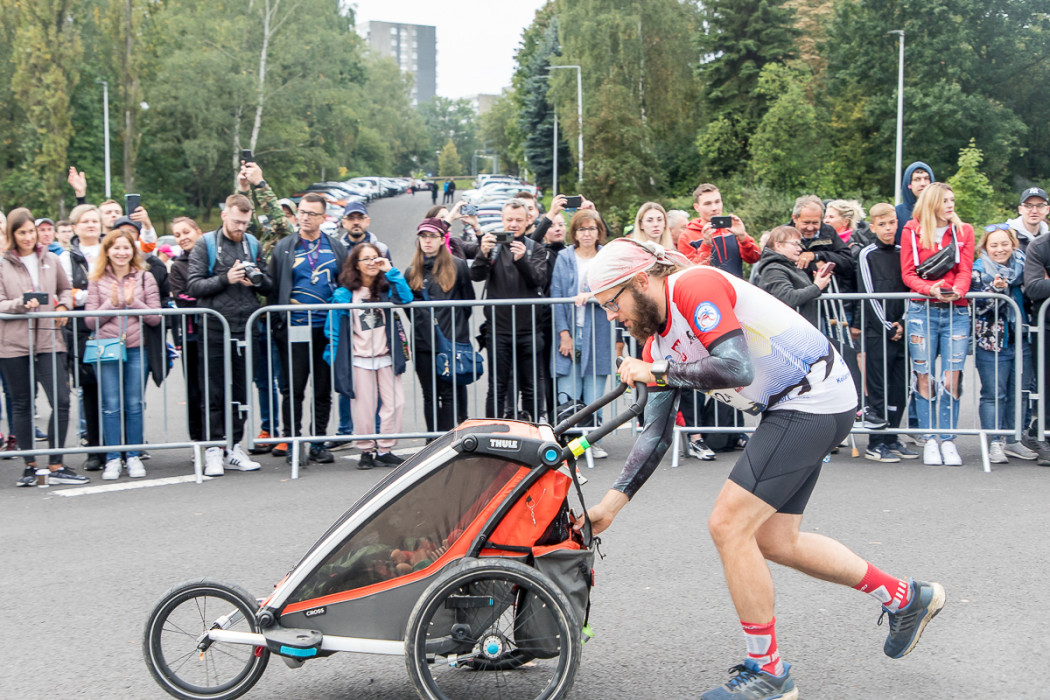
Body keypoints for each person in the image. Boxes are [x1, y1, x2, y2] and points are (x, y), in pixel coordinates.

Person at [581, 237, 945, 700]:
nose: (613, 317)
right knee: (776, 540)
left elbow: (736, 369)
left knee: (728, 525)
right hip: (799, 406)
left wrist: (656, 371)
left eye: (612, 304)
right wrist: (610, 507)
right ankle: (905, 598)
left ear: (639, 281)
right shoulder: (656, 342)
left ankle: (768, 672)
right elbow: (655, 436)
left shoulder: (693, 286)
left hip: (811, 400)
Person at [186, 194, 273, 476]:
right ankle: (213, 448)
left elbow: (268, 285)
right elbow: (193, 285)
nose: (240, 228)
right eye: (236, 222)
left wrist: (255, 280)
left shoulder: (252, 243)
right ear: (225, 215)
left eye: (245, 223)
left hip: (246, 326)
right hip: (214, 327)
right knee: (213, 390)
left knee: (240, 391)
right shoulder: (206, 244)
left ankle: (234, 446)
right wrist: (226, 278)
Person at [0, 209, 85, 487]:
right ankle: (30, 466)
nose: (27, 237)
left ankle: (56, 463)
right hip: (13, 343)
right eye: (21, 232)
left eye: (30, 231)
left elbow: (65, 289)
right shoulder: (2, 264)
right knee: (22, 403)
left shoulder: (51, 258)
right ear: (12, 235)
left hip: (49, 340)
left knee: (61, 400)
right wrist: (21, 304)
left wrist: (63, 306)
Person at [900, 182, 975, 466]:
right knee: (924, 376)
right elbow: (908, 273)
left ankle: (948, 439)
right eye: (945, 200)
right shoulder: (911, 230)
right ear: (932, 203)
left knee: (951, 376)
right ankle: (930, 438)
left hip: (956, 311)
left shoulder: (964, 230)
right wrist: (929, 289)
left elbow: (965, 269)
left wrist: (959, 290)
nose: (951, 205)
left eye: (952, 200)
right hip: (922, 310)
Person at [269, 193, 347, 464]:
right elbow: (274, 286)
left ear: (323, 218)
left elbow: (345, 283)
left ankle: (317, 442)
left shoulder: (335, 248)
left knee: (323, 389)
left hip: (326, 329)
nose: (305, 218)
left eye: (312, 214)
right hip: (294, 327)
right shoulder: (284, 247)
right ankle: (293, 442)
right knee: (293, 389)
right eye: (302, 212)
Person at [326, 243, 412, 469]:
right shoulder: (345, 294)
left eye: (375, 257)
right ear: (356, 264)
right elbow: (333, 328)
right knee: (364, 408)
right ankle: (366, 450)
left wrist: (390, 270)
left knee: (396, 403)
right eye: (366, 259)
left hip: (386, 356)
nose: (372, 262)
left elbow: (406, 297)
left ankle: (385, 449)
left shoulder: (386, 288)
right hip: (360, 358)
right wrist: (334, 356)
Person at [85, 229, 161, 480]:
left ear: (133, 250)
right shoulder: (96, 279)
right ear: (107, 251)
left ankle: (134, 455)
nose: (121, 252)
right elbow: (89, 321)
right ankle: (113, 458)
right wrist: (113, 303)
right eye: (116, 247)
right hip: (107, 348)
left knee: (134, 404)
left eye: (126, 247)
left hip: (137, 348)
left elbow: (156, 317)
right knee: (110, 405)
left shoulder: (145, 278)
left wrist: (132, 302)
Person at [470, 199, 545, 420]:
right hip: (499, 330)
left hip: (529, 330)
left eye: (519, 220)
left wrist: (521, 260)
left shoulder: (535, 248)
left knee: (530, 387)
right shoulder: (493, 246)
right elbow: (476, 275)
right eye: (509, 219)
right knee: (497, 388)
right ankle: (492, 432)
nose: (514, 224)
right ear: (502, 220)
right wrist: (483, 253)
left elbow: (538, 280)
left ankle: (532, 433)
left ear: (528, 221)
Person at [548, 209, 613, 459]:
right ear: (574, 233)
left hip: (598, 332)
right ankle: (571, 445)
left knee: (595, 394)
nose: (587, 233)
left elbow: (615, 288)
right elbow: (556, 295)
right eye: (581, 229)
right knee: (569, 391)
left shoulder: (606, 257)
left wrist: (593, 295)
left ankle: (592, 442)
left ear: (599, 231)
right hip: (570, 331)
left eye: (591, 228)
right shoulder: (564, 257)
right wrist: (564, 334)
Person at [855, 204, 917, 462]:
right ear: (873, 227)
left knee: (900, 387)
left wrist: (902, 321)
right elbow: (868, 293)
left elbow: (910, 287)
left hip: (901, 329)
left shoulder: (904, 251)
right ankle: (876, 442)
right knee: (879, 388)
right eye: (882, 224)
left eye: (891, 223)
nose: (888, 228)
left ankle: (892, 437)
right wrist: (887, 326)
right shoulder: (866, 254)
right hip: (877, 332)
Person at [971, 226, 1038, 464]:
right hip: (991, 342)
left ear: (1013, 244)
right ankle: (994, 442)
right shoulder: (978, 270)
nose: (1000, 249)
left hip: (1022, 339)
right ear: (985, 247)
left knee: (1019, 392)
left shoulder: (1024, 266)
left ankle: (1013, 440)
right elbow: (976, 308)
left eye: (1004, 244)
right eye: (994, 245)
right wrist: (995, 291)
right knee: (993, 394)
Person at [406, 217, 475, 436]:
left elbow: (467, 303)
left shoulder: (458, 266)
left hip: (451, 340)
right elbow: (411, 311)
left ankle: (448, 439)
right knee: (429, 394)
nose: (427, 241)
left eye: (432, 236)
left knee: (449, 393)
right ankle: (432, 440)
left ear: (442, 238)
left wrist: (454, 329)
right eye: (423, 237)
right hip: (423, 343)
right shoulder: (411, 272)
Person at [61, 204, 105, 472]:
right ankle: (94, 448)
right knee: (90, 390)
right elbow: (68, 293)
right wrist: (97, 295)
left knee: (115, 390)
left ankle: (120, 447)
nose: (91, 225)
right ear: (75, 227)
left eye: (94, 220)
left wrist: (88, 294)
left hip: (111, 327)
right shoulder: (66, 259)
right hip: (81, 330)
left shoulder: (110, 249)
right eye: (85, 221)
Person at [167, 216, 205, 450]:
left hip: (217, 333)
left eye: (186, 232)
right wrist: (210, 295)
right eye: (177, 235)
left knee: (219, 388)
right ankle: (198, 439)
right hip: (192, 335)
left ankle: (224, 439)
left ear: (198, 232)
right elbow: (182, 298)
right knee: (194, 389)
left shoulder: (213, 258)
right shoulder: (178, 266)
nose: (182, 238)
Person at [751, 225, 831, 326]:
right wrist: (816, 287)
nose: (800, 249)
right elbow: (787, 298)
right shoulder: (773, 269)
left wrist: (820, 282)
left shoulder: (790, 267)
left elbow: (807, 295)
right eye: (795, 244)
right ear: (778, 245)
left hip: (801, 328)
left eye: (800, 245)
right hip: (788, 330)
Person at [677, 184, 759, 276]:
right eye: (707, 204)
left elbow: (754, 258)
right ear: (696, 207)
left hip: (734, 284)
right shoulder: (686, 236)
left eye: (717, 202)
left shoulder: (731, 228)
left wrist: (743, 237)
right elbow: (691, 273)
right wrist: (706, 245)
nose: (714, 208)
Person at [895, 161, 935, 242]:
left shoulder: (940, 210)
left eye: (926, 178)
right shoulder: (897, 213)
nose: (923, 183)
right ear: (909, 184)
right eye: (917, 179)